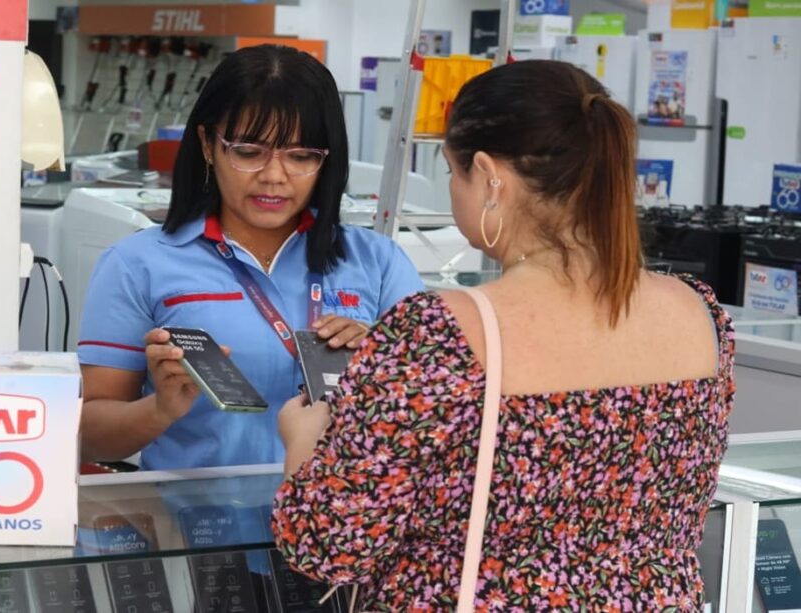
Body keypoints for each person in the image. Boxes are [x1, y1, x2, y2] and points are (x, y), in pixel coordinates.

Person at [273, 60, 734, 610]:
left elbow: (331, 546)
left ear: (490, 176)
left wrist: (303, 442)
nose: (452, 188)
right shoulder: (701, 314)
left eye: (453, 170)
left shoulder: (439, 333)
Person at [78, 45, 423, 471]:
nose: (274, 176)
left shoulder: (379, 261)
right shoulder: (138, 263)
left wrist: (382, 360)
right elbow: (89, 436)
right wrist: (159, 409)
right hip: (197, 530)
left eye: (300, 157)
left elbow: (432, 421)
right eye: (248, 151)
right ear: (207, 144)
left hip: (344, 529)